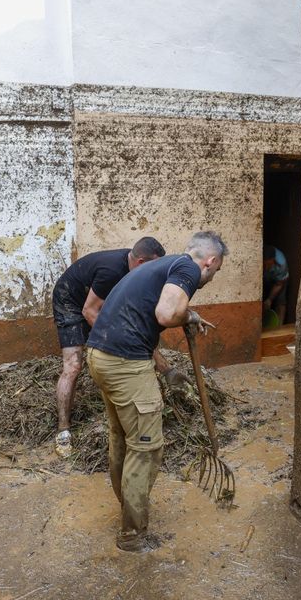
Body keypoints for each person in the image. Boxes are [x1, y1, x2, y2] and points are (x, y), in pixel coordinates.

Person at [85, 231, 226, 552]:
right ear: (211, 261)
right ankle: (132, 535)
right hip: (125, 363)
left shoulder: (162, 266)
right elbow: (165, 314)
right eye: (216, 272)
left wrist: (167, 368)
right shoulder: (189, 269)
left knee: (121, 436)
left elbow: (147, 312)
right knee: (146, 446)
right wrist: (188, 314)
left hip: (100, 355)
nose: (213, 277)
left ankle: (127, 507)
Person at [51, 237, 186, 457]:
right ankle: (63, 430)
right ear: (141, 262)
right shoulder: (113, 271)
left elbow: (136, 329)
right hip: (72, 301)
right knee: (73, 366)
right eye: (154, 265)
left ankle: (168, 372)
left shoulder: (139, 273)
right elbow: (89, 311)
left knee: (133, 335)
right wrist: (115, 337)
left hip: (93, 301)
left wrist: (166, 370)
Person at [262, 245, 289, 320]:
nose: (267, 267)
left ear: (273, 260)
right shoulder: (256, 260)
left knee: (281, 301)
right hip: (264, 278)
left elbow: (279, 284)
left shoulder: (281, 264)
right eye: (265, 265)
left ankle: (279, 327)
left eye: (269, 264)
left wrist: (269, 299)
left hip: (279, 280)